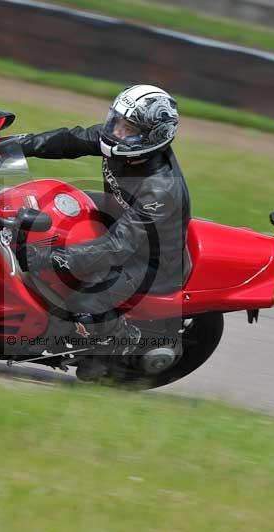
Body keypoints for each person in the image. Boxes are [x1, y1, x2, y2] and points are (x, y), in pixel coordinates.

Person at [17, 84, 191, 355]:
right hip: (121, 222)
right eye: (117, 122)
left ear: (152, 137)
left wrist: (48, 258)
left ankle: (122, 339)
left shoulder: (160, 189)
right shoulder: (121, 141)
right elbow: (70, 140)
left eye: (129, 129)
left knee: (78, 308)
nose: (117, 132)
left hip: (148, 262)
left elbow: (118, 247)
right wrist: (18, 146)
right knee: (56, 206)